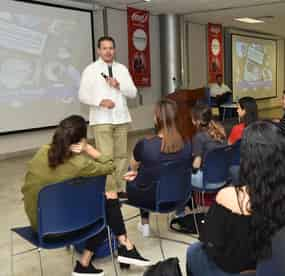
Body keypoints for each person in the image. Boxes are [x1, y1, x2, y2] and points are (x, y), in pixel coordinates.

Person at [21, 115, 150, 276]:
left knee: (103, 203)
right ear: (79, 140)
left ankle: (104, 256)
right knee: (105, 207)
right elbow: (110, 165)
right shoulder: (80, 164)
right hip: (60, 228)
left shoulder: (42, 152)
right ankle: (124, 246)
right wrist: (88, 149)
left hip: (39, 223)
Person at [186, 121, 285, 276]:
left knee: (194, 252)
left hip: (235, 270)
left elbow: (210, 243)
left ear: (247, 157)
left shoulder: (229, 197)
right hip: (273, 268)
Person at [78, 36, 137, 197]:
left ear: (114, 50)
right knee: (105, 157)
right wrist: (100, 101)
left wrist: (119, 86)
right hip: (101, 119)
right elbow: (82, 95)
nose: (108, 51)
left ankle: (118, 187)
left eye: (111, 48)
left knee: (121, 157)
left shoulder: (122, 69)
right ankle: (109, 191)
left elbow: (133, 92)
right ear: (99, 50)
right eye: (104, 48)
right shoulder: (91, 70)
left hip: (121, 118)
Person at [124, 99, 192, 237]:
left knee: (137, 173)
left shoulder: (145, 145)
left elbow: (133, 167)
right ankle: (180, 213)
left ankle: (145, 225)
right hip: (181, 196)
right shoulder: (188, 142)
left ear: (157, 119)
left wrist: (134, 173)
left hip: (152, 198)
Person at [191, 104, 227, 189]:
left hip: (208, 180)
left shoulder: (199, 137)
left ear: (197, 121)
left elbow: (197, 164)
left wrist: (190, 171)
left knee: (183, 178)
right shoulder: (221, 129)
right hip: (224, 177)